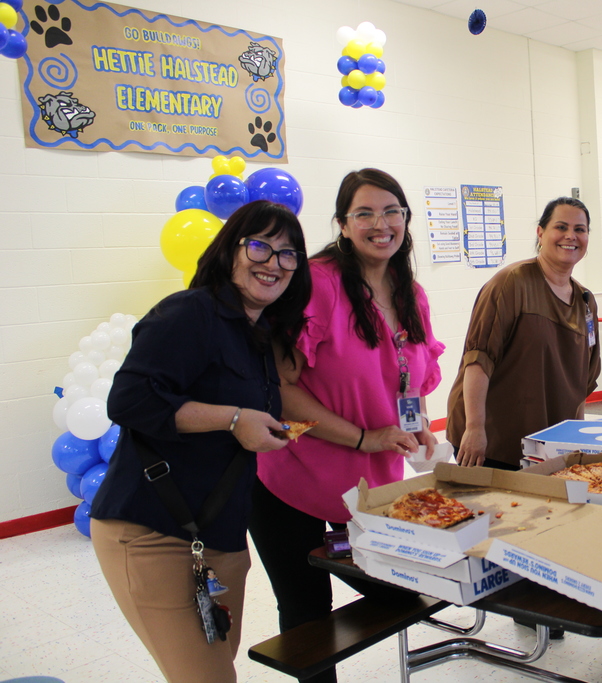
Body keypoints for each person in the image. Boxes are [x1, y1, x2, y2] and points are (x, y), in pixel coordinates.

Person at [90, 200, 312, 683]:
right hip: (153, 533)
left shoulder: (259, 334)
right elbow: (128, 401)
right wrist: (232, 419)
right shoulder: (190, 313)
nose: (273, 263)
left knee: (215, 664)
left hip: (220, 538)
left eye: (288, 254)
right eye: (260, 246)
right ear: (229, 251)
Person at [249, 168, 444, 683]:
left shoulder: (410, 293)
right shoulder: (317, 285)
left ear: (405, 219)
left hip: (370, 483)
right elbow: (281, 388)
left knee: (401, 590)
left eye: (391, 212)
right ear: (341, 223)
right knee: (306, 618)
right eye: (364, 213)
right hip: (291, 477)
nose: (380, 224)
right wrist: (363, 437)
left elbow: (411, 380)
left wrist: (416, 425)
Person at [446, 196, 601, 471]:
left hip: (547, 443)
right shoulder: (510, 284)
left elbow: (581, 382)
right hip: (495, 441)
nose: (571, 236)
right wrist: (474, 429)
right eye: (561, 227)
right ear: (540, 233)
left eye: (580, 229)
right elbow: (478, 360)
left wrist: (576, 439)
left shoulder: (585, 302)